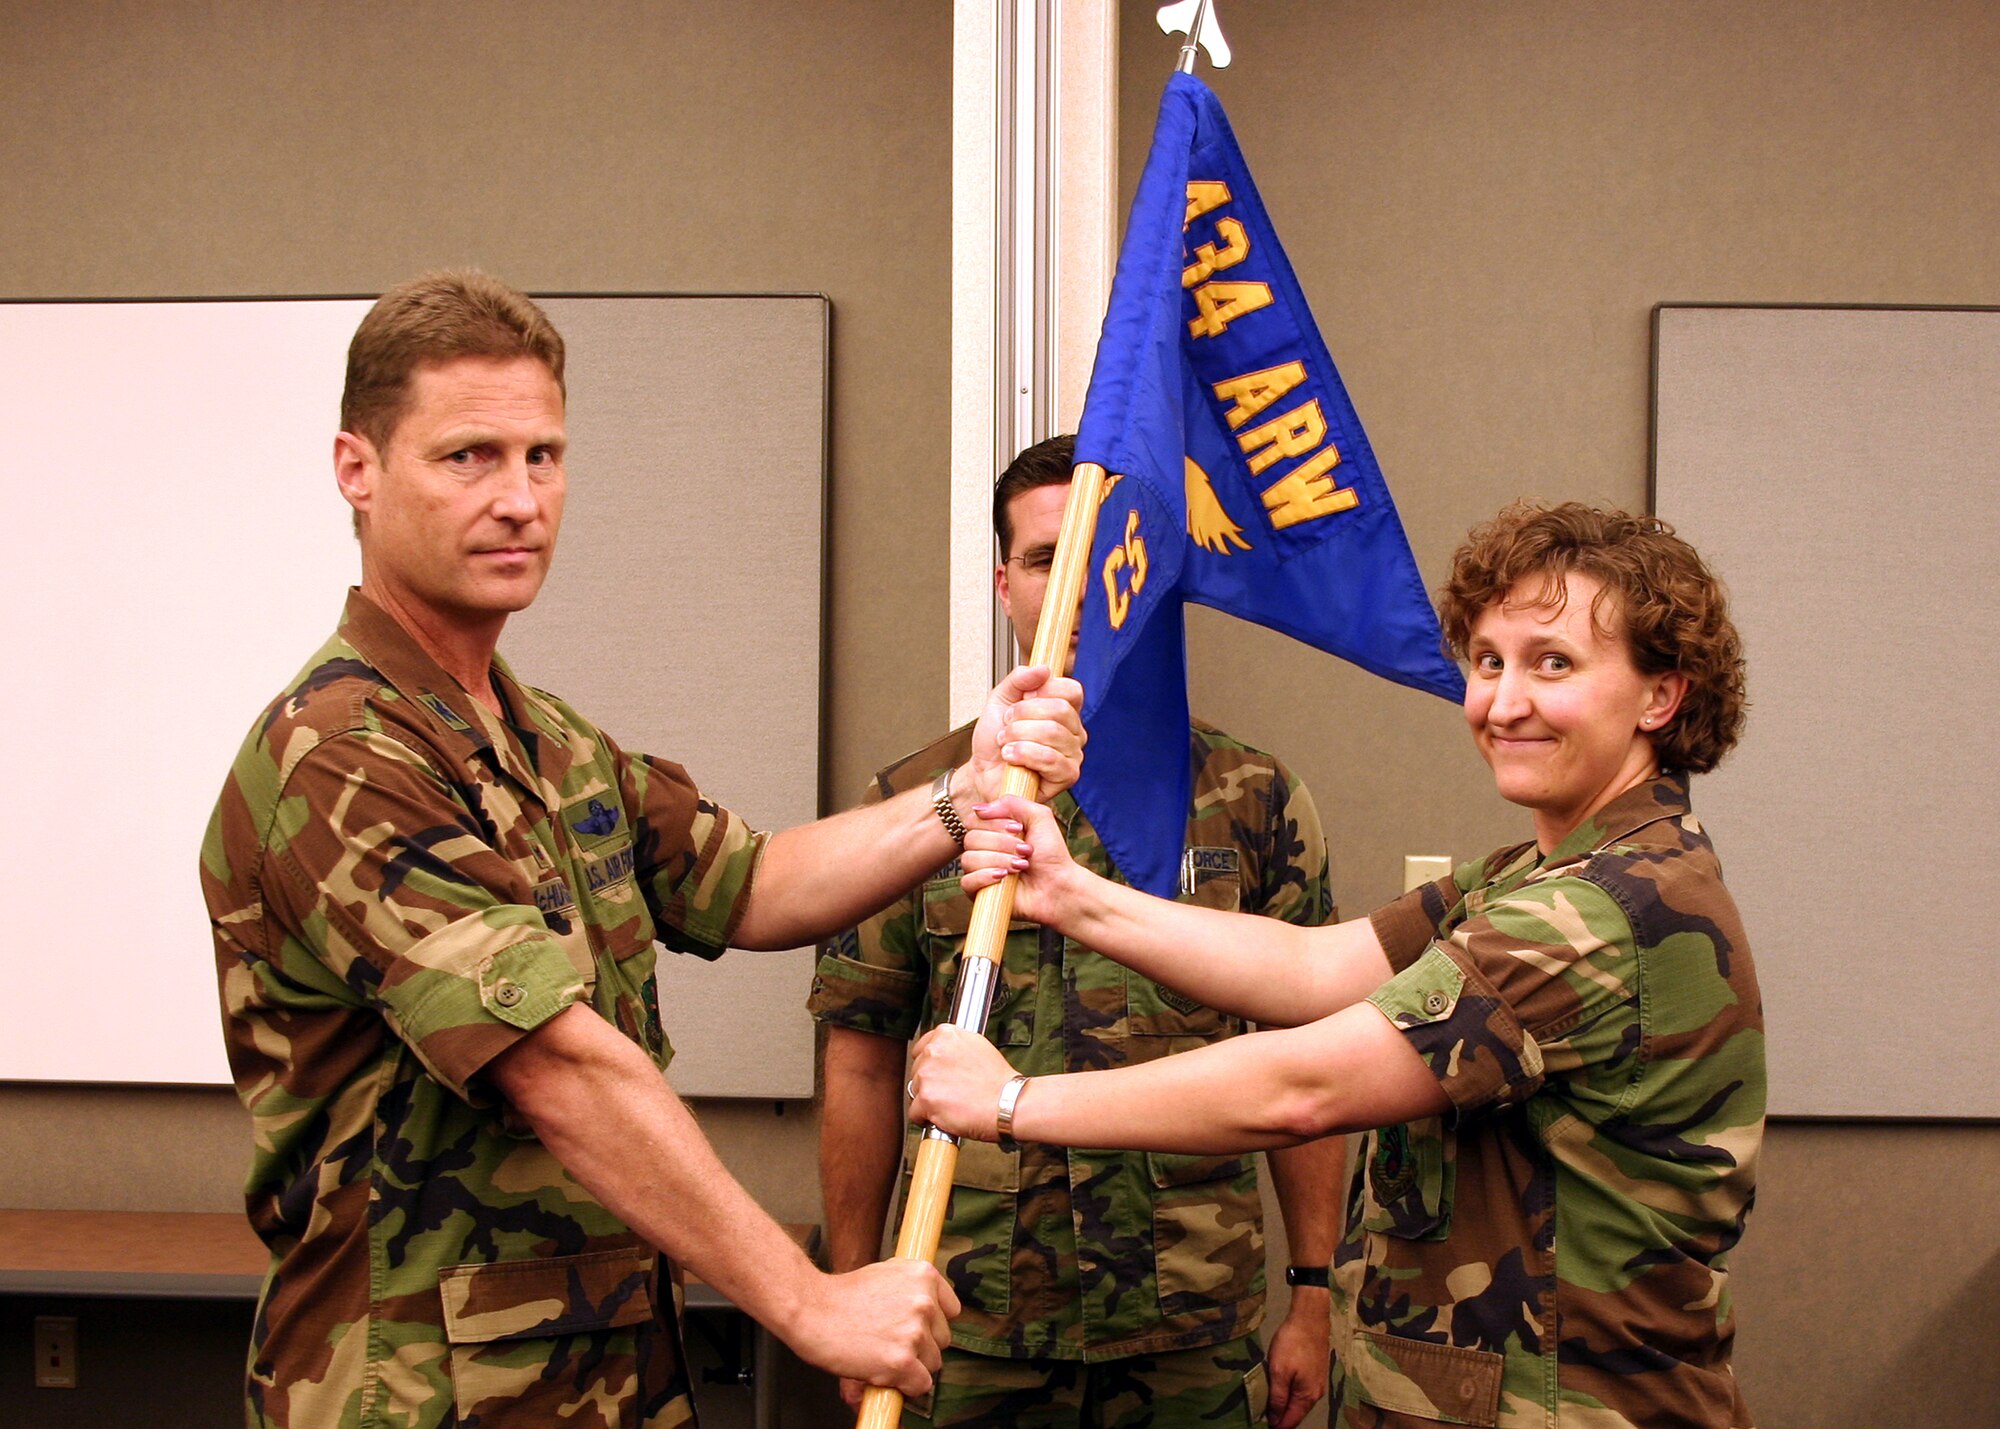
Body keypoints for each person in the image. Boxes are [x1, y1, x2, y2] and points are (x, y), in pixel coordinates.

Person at [200, 270, 1085, 1429]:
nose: (519, 499)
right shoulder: (339, 753)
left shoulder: (547, 738)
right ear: (356, 471)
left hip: (598, 1372)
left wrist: (959, 801)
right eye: (468, 456)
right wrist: (810, 1301)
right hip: (423, 1394)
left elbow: (754, 883)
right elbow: (556, 1066)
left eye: (542, 456)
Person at [910, 502, 1764, 1428]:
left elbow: (1303, 1086)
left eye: (1552, 663)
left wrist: (1009, 1104)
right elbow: (1314, 967)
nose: (1503, 701)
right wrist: (1070, 893)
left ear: (1659, 696)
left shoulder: (1602, 909)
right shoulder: (1539, 873)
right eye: (1487, 661)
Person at [809, 434, 1344, 1429]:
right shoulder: (914, 807)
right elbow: (861, 1062)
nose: (1080, 585)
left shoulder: (1250, 798)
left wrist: (1312, 1290)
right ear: (1004, 579)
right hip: (968, 1313)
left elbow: (1307, 1054)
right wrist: (849, 1287)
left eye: (1106, 554)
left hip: (1184, 1313)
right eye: (1050, 558)